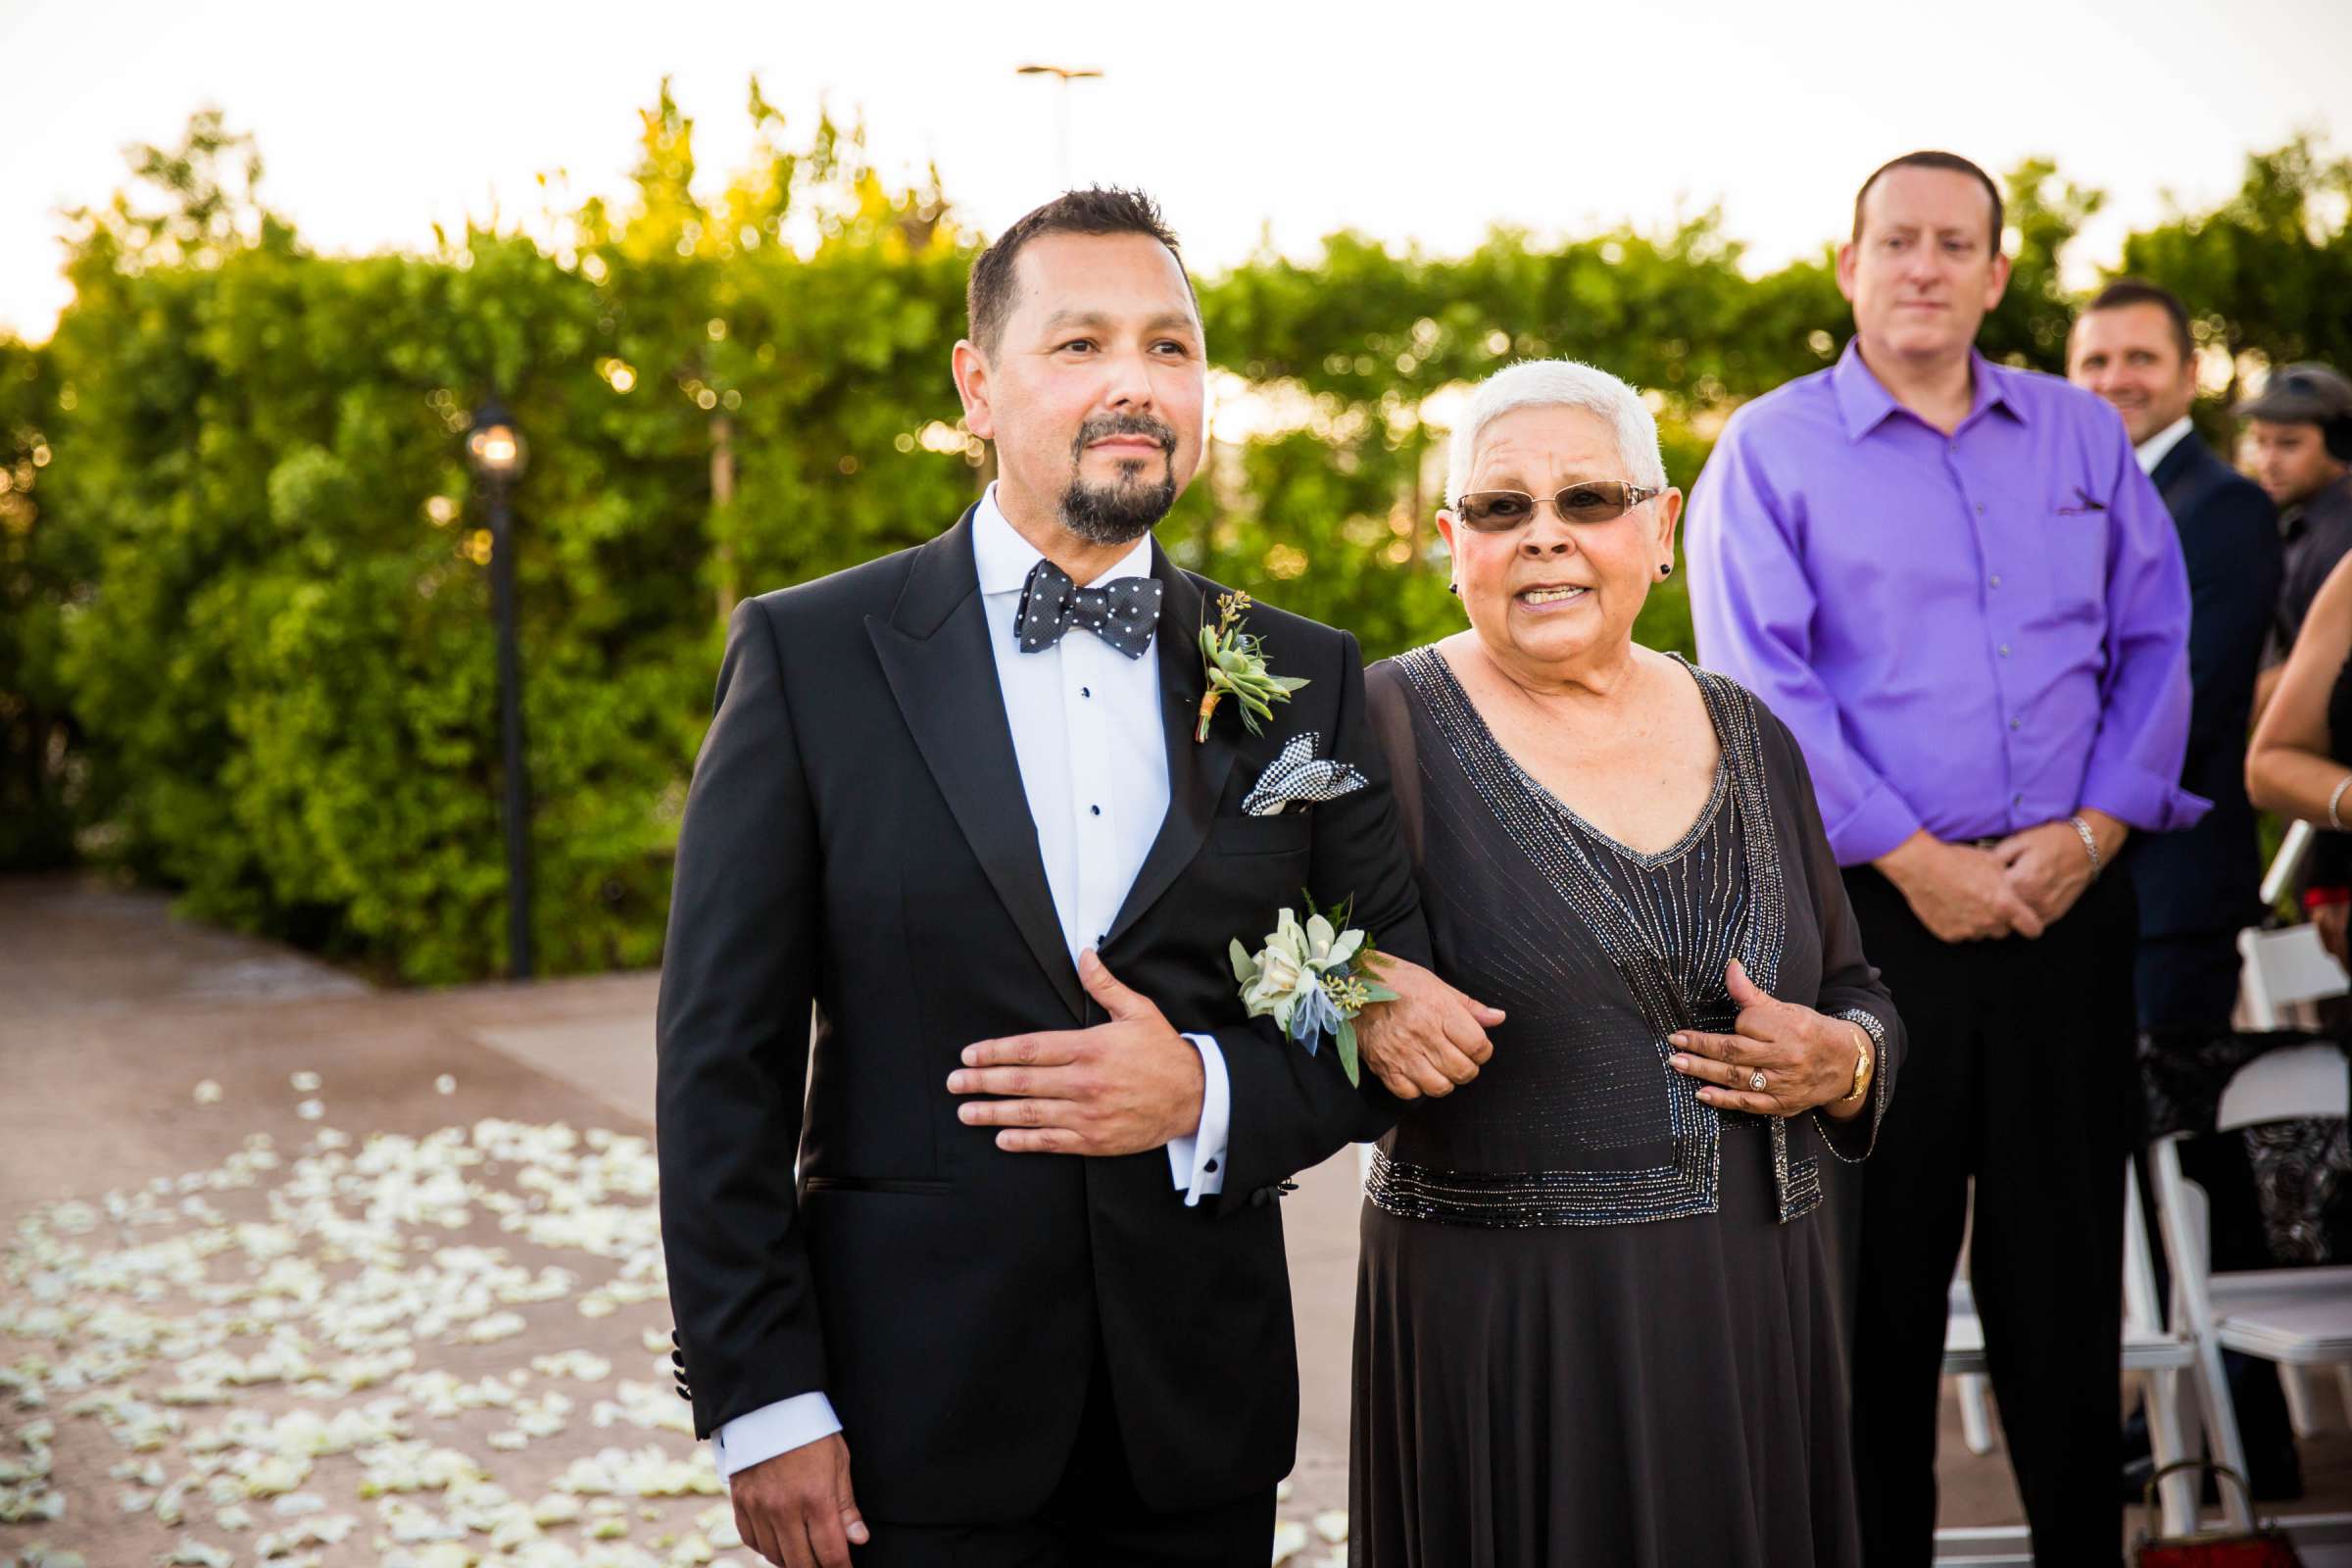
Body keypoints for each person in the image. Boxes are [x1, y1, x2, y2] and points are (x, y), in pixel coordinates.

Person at [654, 187, 1492, 1568]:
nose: (1136, 385)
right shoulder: (812, 659)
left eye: (1172, 348)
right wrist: (763, 1398)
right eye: (1082, 344)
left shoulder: (1297, 676)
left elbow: (1380, 1006)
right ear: (978, 388)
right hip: (900, 1419)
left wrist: (1204, 1092)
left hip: (1195, 1420)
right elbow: (719, 1065)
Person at [1686, 150, 2203, 1564]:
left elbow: (2158, 641)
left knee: (2065, 1287)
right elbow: (1761, 686)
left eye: (1953, 242)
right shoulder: (1771, 450)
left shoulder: (2083, 438)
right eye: (1896, 240)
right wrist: (1915, 858)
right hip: (1868, 933)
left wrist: (2097, 831)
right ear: (1848, 264)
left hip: (2067, 912)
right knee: (1875, 1297)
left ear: (1997, 271)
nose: (1924, 264)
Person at [1347, 359, 1900, 1568]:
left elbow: (1858, 988)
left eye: (1588, 500)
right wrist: (1354, 987)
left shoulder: (1754, 729)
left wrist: (1846, 1059)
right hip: (1511, 1336)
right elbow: (1237, 952)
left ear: (1662, 528)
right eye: (1501, 509)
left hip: (1757, 1308)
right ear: (1452, 542)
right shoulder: (1374, 727)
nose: (1544, 537)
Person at [2069, 279, 2300, 1498]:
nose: (2116, 377)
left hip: (2171, 886)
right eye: (2096, 359)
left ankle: (2239, 1426)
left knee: (2191, 1168)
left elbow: (2189, 699)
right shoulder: (2077, 499)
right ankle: (2176, 1409)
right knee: (2136, 1166)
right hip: (2101, 889)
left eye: (2139, 357)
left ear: (2186, 371)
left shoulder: (2220, 508)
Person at [2245, 362, 2352, 716]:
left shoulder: (2341, 536)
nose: (2268, 462)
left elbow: (2326, 666)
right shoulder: (2302, 521)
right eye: (2261, 443)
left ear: (2341, 443)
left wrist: (2230, 703)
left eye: (2288, 445)